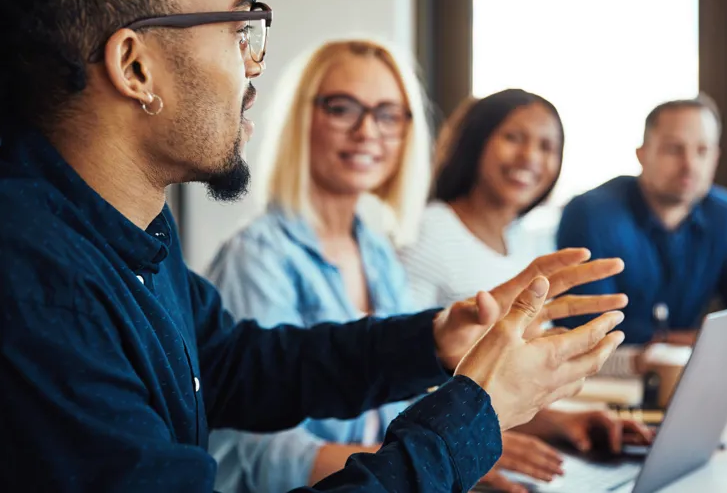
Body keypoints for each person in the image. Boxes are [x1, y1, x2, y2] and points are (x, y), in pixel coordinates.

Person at [0, 0, 630, 491]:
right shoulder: (19, 273)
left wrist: (431, 342)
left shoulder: (122, 229)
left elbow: (236, 366)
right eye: (237, 26)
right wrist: (472, 415)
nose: (253, 63)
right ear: (135, 66)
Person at [206, 53, 647, 493]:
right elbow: (261, 460)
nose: (367, 131)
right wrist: (447, 454)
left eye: (388, 115)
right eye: (342, 108)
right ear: (301, 120)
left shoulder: (375, 250)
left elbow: (409, 405)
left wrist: (543, 422)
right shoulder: (257, 258)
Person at [555, 94, 727, 375]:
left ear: (715, 157)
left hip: (689, 380)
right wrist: (698, 339)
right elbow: (588, 334)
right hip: (602, 387)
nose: (689, 164)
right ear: (642, 155)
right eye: (673, 149)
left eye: (702, 151)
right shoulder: (590, 214)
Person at [400, 89, 564, 309]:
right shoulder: (428, 233)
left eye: (546, 147)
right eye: (513, 138)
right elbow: (403, 338)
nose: (530, 157)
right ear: (476, 141)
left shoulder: (530, 241)